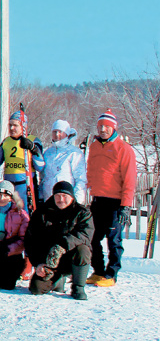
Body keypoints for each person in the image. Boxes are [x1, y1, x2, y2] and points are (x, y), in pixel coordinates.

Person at [85, 109, 137, 287]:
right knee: (92, 237)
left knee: (114, 240)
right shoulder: (94, 146)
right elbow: (91, 169)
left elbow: (130, 179)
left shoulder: (124, 149)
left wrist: (126, 205)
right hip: (98, 199)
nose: (103, 129)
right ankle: (98, 271)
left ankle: (111, 274)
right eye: (100, 126)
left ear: (113, 127)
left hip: (116, 202)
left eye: (107, 126)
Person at [27, 181, 94, 300]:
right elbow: (31, 240)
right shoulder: (41, 213)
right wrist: (38, 264)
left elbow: (84, 235)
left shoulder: (83, 213)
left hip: (71, 258)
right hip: (49, 261)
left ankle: (78, 287)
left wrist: (62, 245)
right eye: (57, 195)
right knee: (36, 289)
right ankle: (57, 280)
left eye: (64, 196)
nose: (61, 199)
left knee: (83, 249)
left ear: (72, 197)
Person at [0, 111, 45, 210]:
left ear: (23, 126)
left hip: (25, 186)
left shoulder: (33, 140)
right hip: (8, 187)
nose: (11, 128)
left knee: (25, 215)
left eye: (15, 125)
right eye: (10, 125)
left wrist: (33, 149)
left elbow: (40, 167)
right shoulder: (6, 142)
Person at [41, 120, 87, 205]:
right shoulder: (48, 153)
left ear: (67, 134)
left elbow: (80, 178)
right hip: (49, 200)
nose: (57, 134)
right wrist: (40, 196)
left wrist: (78, 202)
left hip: (66, 201)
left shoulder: (74, 153)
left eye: (60, 132)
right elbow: (43, 178)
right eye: (55, 132)